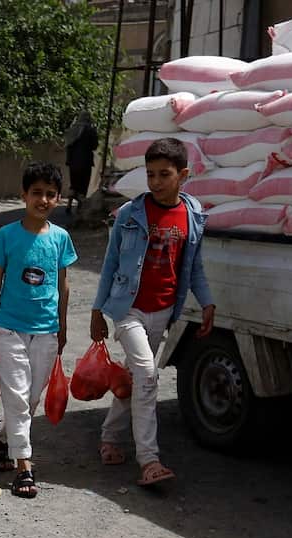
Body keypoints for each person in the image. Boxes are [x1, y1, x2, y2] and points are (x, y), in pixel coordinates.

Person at [91, 137, 216, 486]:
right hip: (127, 308)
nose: (156, 182)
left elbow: (194, 269)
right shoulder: (131, 214)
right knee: (147, 375)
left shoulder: (192, 215)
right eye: (150, 174)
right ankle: (149, 460)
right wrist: (97, 310)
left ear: (184, 175)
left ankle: (109, 438)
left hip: (163, 312)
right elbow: (110, 262)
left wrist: (207, 302)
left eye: (165, 174)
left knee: (134, 377)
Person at [0, 161, 78, 499]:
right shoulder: (7, 235)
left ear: (58, 199)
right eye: (36, 193)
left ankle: (2, 436)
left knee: (30, 401)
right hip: (11, 329)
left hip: (46, 331)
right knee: (16, 397)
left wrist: (62, 326)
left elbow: (64, 286)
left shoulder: (61, 239)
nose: (42, 200)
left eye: (50, 194)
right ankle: (24, 468)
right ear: (24, 195)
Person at [64, 111, 99, 214]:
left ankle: (69, 205)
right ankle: (80, 207)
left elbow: (68, 145)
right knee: (83, 185)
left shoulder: (73, 129)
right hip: (86, 162)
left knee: (74, 184)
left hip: (73, 162)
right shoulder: (90, 130)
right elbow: (94, 146)